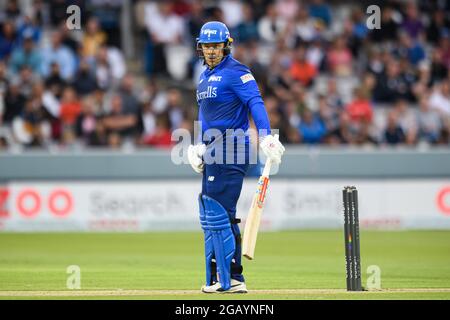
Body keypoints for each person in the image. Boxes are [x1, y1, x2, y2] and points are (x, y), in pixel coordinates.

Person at [187, 21, 285, 294]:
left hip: (232, 148)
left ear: (226, 46)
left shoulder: (237, 71)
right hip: (212, 151)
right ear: (200, 48)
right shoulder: (204, 76)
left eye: (216, 46)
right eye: (207, 46)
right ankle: (219, 276)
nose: (211, 51)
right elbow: (204, 115)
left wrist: (266, 136)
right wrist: (198, 146)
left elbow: (255, 102)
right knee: (211, 214)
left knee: (219, 213)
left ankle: (233, 277)